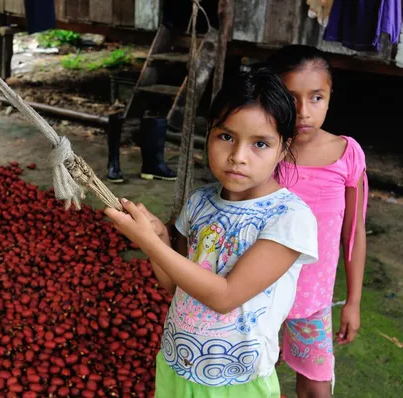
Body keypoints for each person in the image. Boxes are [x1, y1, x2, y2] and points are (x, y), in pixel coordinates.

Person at [105, 67, 319, 397]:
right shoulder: (200, 202)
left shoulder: (289, 218)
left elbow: (224, 296)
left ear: (283, 147)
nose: (237, 157)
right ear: (209, 133)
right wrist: (160, 237)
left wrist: (147, 242)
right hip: (178, 363)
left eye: (260, 143)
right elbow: (176, 286)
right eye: (226, 136)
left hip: (238, 381)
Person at [266, 45, 368, 398]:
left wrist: (352, 301)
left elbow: (353, 234)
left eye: (316, 97)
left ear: (329, 96)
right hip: (256, 294)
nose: (303, 112)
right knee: (254, 378)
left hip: (313, 299)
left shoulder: (347, 154)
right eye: (291, 97)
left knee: (316, 386)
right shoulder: (264, 150)